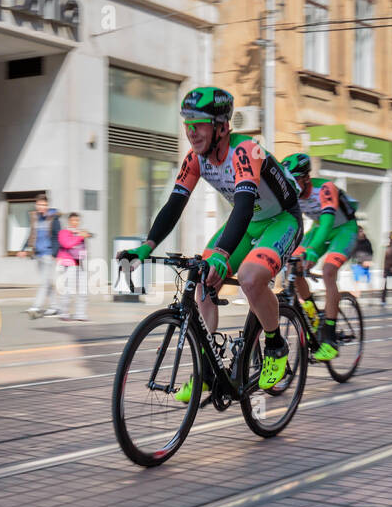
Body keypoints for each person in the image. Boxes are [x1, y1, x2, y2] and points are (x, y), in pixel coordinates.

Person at [118, 87, 303, 399]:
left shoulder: (246, 151)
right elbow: (174, 205)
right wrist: (146, 246)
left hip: (282, 220)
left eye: (199, 122)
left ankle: (275, 345)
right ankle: (206, 367)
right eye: (187, 122)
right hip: (250, 222)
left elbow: (243, 206)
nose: (191, 131)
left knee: (249, 277)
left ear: (221, 126)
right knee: (203, 279)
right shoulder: (195, 159)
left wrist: (222, 253)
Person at [281, 153, 359, 362]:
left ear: (306, 177)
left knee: (328, 271)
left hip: (342, 230)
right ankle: (313, 315)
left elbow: (326, 224)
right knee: (292, 266)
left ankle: (330, 338)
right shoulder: (291, 194)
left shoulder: (325, 189)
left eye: (294, 180)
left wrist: (312, 251)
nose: (290, 186)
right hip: (318, 229)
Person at [20, 194, 62, 318]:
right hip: (38, 254)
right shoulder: (35, 218)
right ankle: (55, 307)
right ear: (36, 205)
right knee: (48, 282)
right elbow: (31, 235)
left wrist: (54, 253)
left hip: (49, 254)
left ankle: (36, 306)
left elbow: (57, 236)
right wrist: (23, 249)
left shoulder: (53, 219)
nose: (41, 207)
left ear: (47, 205)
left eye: (44, 205)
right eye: (39, 204)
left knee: (44, 282)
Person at [57, 212, 92, 322]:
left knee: (83, 290)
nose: (75, 223)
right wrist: (80, 236)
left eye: (77, 221)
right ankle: (64, 312)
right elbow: (67, 244)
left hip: (80, 263)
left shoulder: (80, 233)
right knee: (68, 289)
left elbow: (82, 248)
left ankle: (80, 314)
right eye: (73, 220)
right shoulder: (63, 232)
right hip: (68, 264)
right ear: (69, 221)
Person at [351, 225, 374, 295]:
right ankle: (357, 292)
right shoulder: (354, 241)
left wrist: (369, 260)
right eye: (359, 231)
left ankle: (371, 294)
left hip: (366, 263)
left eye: (362, 231)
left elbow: (370, 252)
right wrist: (360, 261)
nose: (361, 233)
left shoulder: (367, 241)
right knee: (356, 279)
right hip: (357, 263)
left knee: (368, 278)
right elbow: (353, 253)